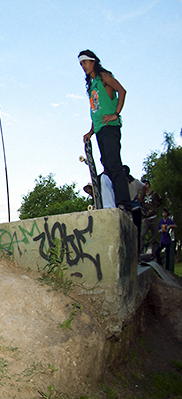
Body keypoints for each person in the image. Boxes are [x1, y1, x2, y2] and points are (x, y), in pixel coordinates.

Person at [79, 50, 131, 212]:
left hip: (111, 128)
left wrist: (116, 114)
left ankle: (125, 203)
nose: (83, 66)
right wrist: (91, 132)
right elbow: (97, 112)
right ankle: (112, 204)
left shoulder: (104, 77)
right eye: (81, 64)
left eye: (85, 62)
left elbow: (122, 91)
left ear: (93, 61)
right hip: (100, 129)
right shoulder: (92, 86)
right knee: (106, 167)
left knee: (114, 165)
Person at [138, 178, 164, 257]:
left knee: (154, 237)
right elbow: (140, 204)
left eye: (146, 184)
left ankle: (154, 255)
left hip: (153, 217)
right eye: (144, 184)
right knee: (142, 235)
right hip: (146, 218)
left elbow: (161, 200)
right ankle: (139, 252)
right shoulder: (142, 196)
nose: (145, 186)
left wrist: (155, 207)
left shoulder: (154, 193)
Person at [123, 166, 145, 254]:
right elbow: (144, 187)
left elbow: (144, 187)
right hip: (135, 206)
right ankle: (137, 252)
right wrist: (140, 197)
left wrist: (140, 198)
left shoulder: (124, 183)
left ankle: (132, 252)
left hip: (129, 208)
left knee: (130, 232)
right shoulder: (135, 181)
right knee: (137, 231)